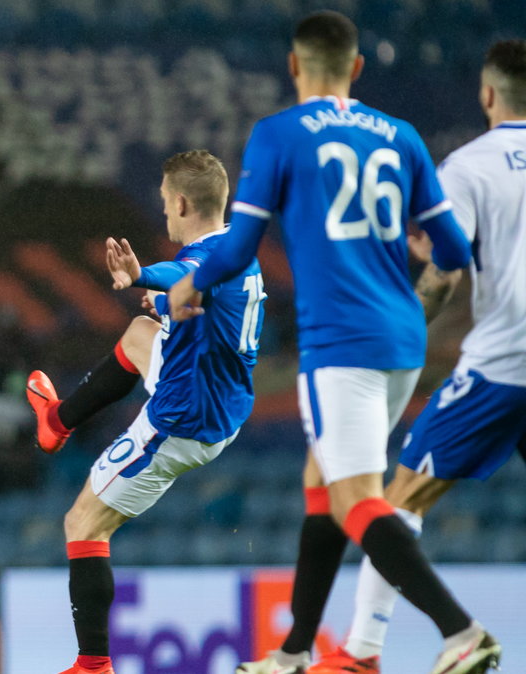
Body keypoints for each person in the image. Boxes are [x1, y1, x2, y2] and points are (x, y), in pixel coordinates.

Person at [165, 12, 499, 674]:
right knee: (323, 478)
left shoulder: (279, 135)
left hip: (341, 342)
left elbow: (237, 247)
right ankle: (295, 653)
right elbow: (456, 251)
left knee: (353, 498)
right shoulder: (401, 137)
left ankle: (460, 633)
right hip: (404, 335)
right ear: (356, 68)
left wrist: (191, 283)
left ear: (294, 68)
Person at [307, 39, 526, 674]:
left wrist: (396, 332)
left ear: (487, 94)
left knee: (398, 499)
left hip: (503, 368)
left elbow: (445, 274)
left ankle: (364, 652)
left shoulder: (469, 166)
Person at [27, 150, 266, 674]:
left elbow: (186, 274)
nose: (163, 213)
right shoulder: (239, 251)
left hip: (182, 420)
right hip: (222, 400)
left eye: (164, 203)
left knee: (83, 524)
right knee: (140, 335)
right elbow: (204, 299)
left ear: (181, 202)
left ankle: (93, 665)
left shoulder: (201, 263)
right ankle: (58, 421)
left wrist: (141, 276)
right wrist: (161, 305)